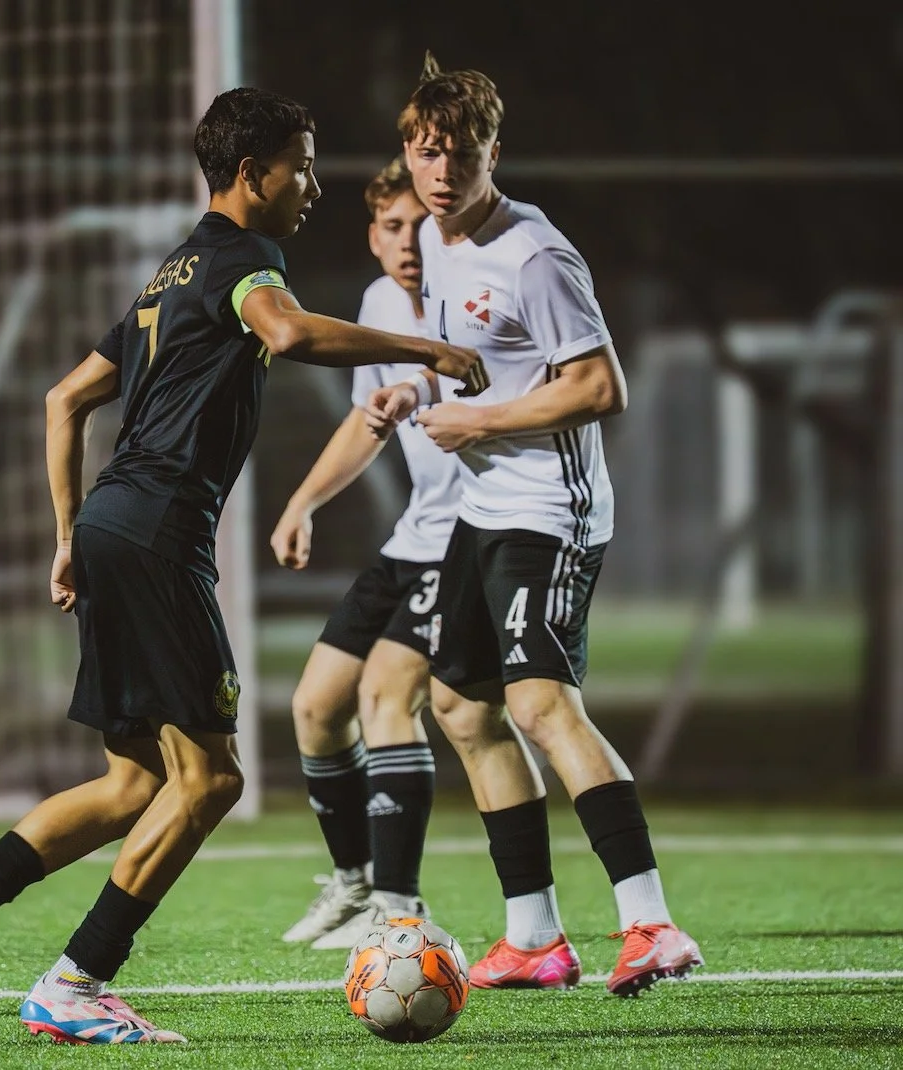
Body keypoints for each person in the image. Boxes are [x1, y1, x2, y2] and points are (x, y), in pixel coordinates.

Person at [0, 86, 483, 1046]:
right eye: (303, 165)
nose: (312, 185)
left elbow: (63, 398)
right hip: (159, 533)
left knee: (131, 783)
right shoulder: (245, 260)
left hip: (120, 522)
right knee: (211, 781)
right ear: (254, 174)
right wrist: (428, 347)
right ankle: (74, 983)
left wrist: (71, 533)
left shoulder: (171, 273)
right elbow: (287, 332)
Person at [365, 54, 703, 997]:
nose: (440, 172)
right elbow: (478, 364)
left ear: (492, 154)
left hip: (551, 514)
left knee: (538, 705)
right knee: (460, 709)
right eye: (426, 153)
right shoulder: (437, 239)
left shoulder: (536, 253)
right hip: (484, 508)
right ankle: (535, 938)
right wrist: (417, 388)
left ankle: (651, 925)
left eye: (459, 155)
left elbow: (600, 386)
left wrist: (474, 421)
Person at [270, 156, 464, 950]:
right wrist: (303, 502)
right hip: (414, 535)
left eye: (422, 225)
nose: (409, 241)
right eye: (393, 226)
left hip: (472, 539)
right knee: (315, 707)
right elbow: (365, 422)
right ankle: (355, 884)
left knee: (389, 698)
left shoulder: (471, 300)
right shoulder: (381, 304)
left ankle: (400, 907)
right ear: (374, 235)